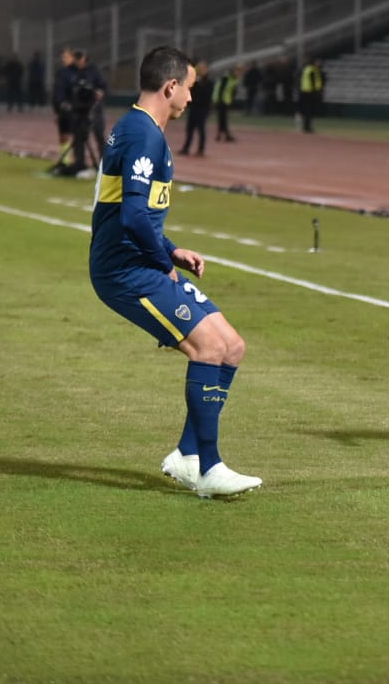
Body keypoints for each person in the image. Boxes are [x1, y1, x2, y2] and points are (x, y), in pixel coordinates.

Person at [89, 45, 260, 498]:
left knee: (232, 347)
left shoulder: (138, 129)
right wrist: (163, 259)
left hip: (142, 260)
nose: (191, 97)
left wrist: (172, 249)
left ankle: (185, 455)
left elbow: (136, 214)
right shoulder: (143, 135)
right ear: (171, 86)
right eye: (190, 87)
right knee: (207, 349)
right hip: (127, 270)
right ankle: (209, 469)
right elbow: (131, 217)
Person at [53, 49, 106, 176]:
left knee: (99, 137)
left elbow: (103, 86)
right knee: (79, 137)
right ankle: (80, 164)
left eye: (80, 58)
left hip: (94, 109)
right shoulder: (70, 72)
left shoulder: (94, 71)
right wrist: (64, 104)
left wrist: (100, 92)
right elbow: (63, 90)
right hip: (78, 110)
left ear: (85, 58)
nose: (78, 61)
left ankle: (105, 166)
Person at [49, 47, 76, 172]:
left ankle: (76, 161)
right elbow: (57, 91)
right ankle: (65, 160)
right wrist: (57, 108)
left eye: (67, 57)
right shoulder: (61, 72)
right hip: (61, 109)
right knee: (63, 135)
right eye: (63, 57)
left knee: (74, 135)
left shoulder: (77, 72)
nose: (64, 60)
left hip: (73, 108)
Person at [180, 59, 213, 157]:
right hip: (194, 107)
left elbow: (207, 95)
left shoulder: (209, 82)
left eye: (202, 69)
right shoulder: (194, 81)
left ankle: (201, 149)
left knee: (201, 129)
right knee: (190, 128)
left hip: (203, 108)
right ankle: (186, 148)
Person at [213, 63, 241, 142]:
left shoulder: (234, 79)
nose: (239, 73)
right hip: (221, 100)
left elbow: (232, 91)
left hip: (226, 100)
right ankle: (225, 135)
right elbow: (220, 89)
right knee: (222, 118)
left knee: (223, 118)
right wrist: (218, 100)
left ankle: (221, 135)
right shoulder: (226, 78)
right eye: (237, 71)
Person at [298, 56, 325, 132]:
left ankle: (305, 126)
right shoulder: (313, 69)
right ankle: (307, 127)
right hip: (310, 92)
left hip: (305, 91)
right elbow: (315, 82)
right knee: (309, 110)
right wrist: (317, 92)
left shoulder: (306, 68)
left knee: (307, 110)